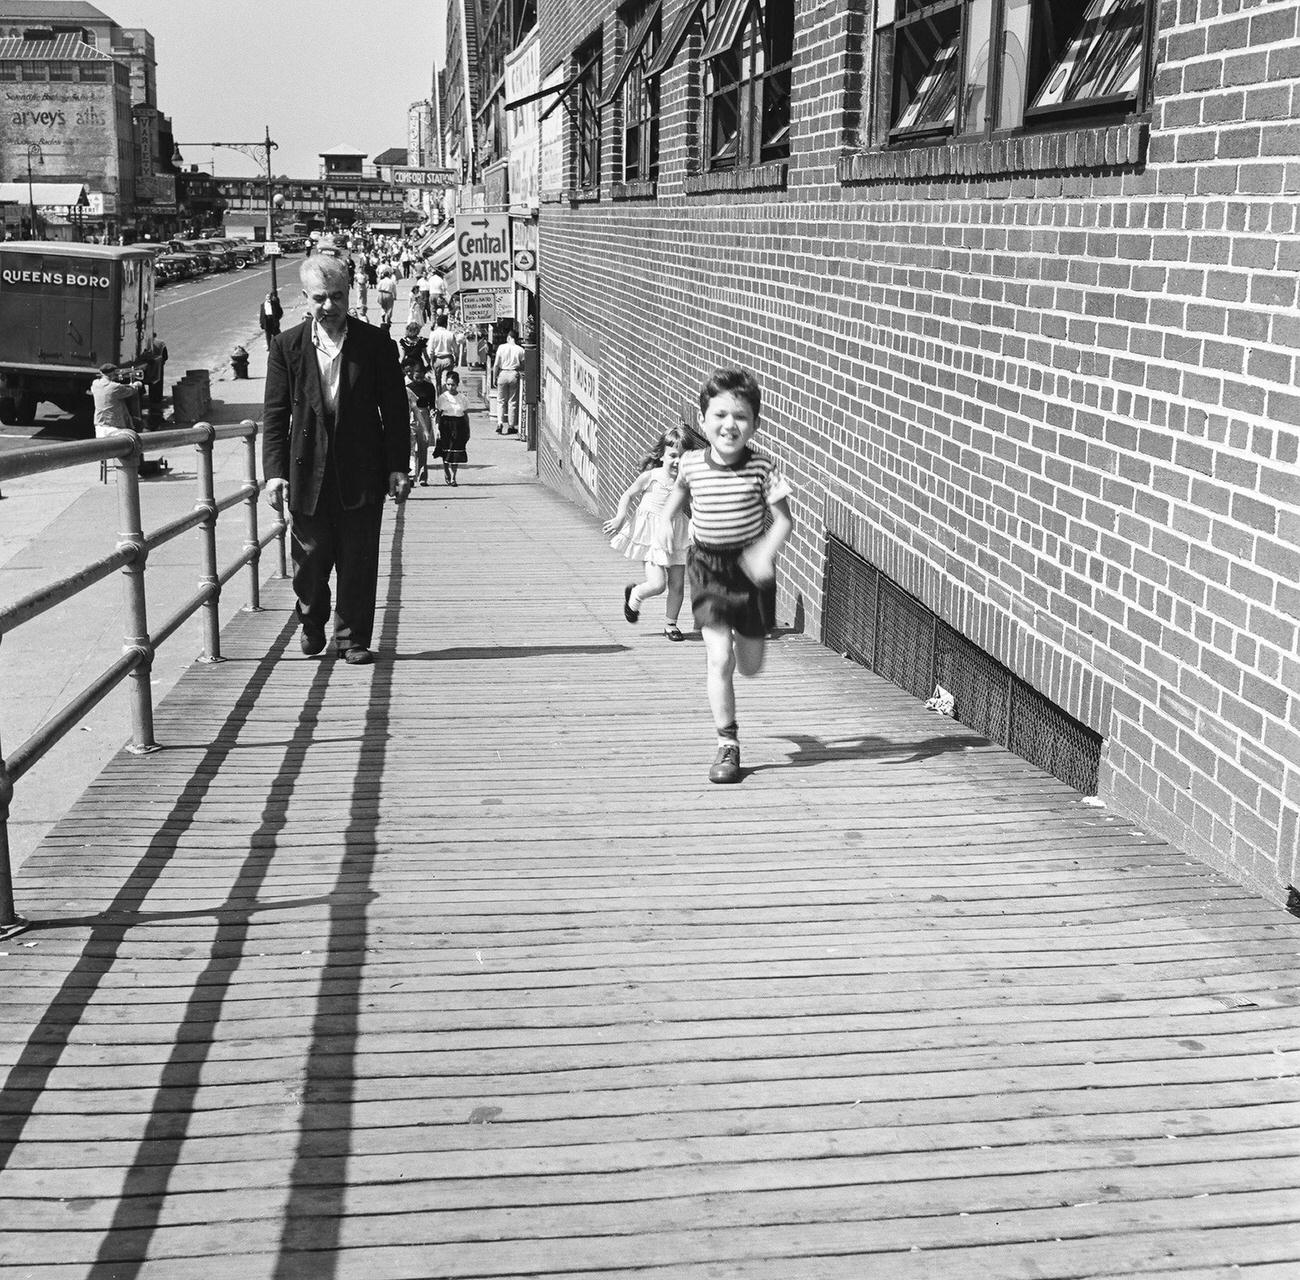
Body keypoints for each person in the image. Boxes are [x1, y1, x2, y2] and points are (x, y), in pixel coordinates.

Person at [262, 254, 411, 666]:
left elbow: (395, 411)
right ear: (304, 298)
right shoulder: (286, 346)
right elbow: (274, 415)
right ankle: (312, 621)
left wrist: (399, 466)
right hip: (306, 470)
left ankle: (352, 640)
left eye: (338, 297)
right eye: (321, 298)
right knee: (310, 560)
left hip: (362, 469)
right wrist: (273, 474)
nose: (329, 306)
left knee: (358, 560)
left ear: (350, 295)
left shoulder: (376, 344)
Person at [659, 368, 794, 784]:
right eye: (719, 415)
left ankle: (749, 641)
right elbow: (680, 491)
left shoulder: (762, 469)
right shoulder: (691, 463)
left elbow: (785, 520)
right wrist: (665, 519)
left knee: (749, 665)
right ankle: (728, 744)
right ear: (703, 421)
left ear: (754, 423)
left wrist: (764, 554)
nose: (729, 425)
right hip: (709, 569)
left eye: (740, 416)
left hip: (750, 574)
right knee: (720, 658)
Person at [604, 425, 701, 641]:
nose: (677, 461)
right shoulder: (652, 476)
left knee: (677, 583)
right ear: (662, 455)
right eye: (673, 456)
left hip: (676, 533)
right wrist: (620, 517)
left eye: (683, 457)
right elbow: (628, 495)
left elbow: (695, 505)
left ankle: (671, 625)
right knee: (658, 585)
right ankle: (635, 594)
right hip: (651, 535)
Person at [433, 370, 471, 486]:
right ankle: (446, 471)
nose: (450, 387)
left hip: (459, 425)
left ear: (457, 384)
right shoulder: (442, 397)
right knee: (446, 451)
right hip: (446, 425)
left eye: (453, 384)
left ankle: (454, 477)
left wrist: (468, 430)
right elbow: (438, 414)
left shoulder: (462, 398)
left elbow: (465, 415)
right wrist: (437, 428)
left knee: (456, 452)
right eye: (448, 384)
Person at [90, 363, 142, 437]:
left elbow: (107, 389)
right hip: (114, 426)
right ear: (112, 374)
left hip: (99, 425)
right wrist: (137, 384)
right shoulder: (115, 387)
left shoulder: (95, 384)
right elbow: (131, 390)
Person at [407, 369, 437, 485]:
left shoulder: (429, 387)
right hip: (410, 416)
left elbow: (432, 404)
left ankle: (422, 476)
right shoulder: (408, 388)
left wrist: (433, 412)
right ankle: (411, 476)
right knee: (410, 448)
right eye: (416, 378)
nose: (419, 380)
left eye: (421, 377)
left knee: (423, 448)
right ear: (412, 376)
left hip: (424, 416)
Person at [493, 328, 524, 434]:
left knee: (501, 401)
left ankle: (500, 423)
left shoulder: (501, 348)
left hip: (503, 373)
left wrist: (494, 376)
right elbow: (523, 364)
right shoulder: (520, 350)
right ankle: (511, 426)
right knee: (512, 401)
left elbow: (496, 364)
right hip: (513, 374)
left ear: (509, 337)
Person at [426, 314, 457, 391]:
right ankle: (447, 396)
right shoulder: (450, 334)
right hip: (448, 359)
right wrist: (457, 358)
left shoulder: (433, 334)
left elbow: (430, 350)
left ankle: (439, 397)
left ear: (437, 323)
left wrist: (431, 360)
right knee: (447, 380)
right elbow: (456, 349)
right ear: (445, 323)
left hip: (437, 360)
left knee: (438, 382)